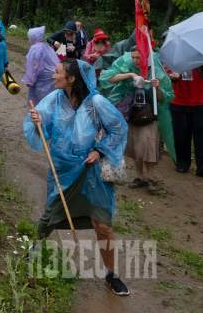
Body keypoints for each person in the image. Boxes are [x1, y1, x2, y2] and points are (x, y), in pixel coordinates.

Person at [24, 59, 130, 297]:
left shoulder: (96, 104)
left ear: (72, 79)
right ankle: (33, 246)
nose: (54, 74)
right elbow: (44, 128)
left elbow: (119, 129)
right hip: (61, 169)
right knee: (50, 215)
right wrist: (38, 121)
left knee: (102, 225)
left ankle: (112, 274)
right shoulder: (54, 99)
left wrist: (99, 150)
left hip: (90, 172)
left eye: (59, 72)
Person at [100, 47, 173, 192]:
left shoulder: (155, 71)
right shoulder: (126, 65)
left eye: (138, 58)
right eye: (133, 57)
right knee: (135, 145)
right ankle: (140, 176)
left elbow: (165, 97)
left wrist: (156, 87)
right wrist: (130, 75)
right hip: (130, 113)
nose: (135, 60)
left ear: (146, 57)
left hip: (149, 114)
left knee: (149, 145)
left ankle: (151, 177)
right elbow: (107, 78)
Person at [166, 66, 203, 176]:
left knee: (201, 137)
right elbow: (165, 77)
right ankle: (182, 163)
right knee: (181, 135)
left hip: (200, 102)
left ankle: (201, 167)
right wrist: (172, 77)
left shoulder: (200, 59)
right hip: (179, 102)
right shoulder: (174, 61)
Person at [23, 26, 59, 105]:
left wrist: (29, 80)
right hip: (54, 78)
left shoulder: (35, 48)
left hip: (43, 81)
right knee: (50, 103)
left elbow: (33, 67)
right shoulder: (47, 47)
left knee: (39, 104)